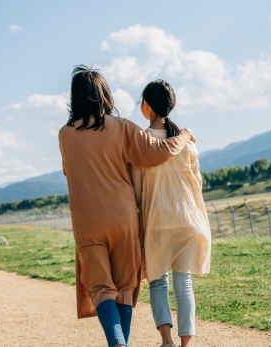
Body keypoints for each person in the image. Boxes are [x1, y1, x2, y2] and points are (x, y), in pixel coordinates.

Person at [58, 66, 195, 347]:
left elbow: (68, 171)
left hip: (87, 223)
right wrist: (183, 136)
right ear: (105, 95)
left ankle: (118, 342)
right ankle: (122, 343)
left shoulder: (64, 134)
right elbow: (157, 152)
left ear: (75, 98)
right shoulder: (120, 127)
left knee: (100, 286)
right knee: (124, 286)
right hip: (122, 217)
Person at [130, 80, 211, 347]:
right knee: (183, 284)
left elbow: (138, 191)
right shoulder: (187, 143)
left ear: (146, 106)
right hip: (189, 220)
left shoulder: (141, 144)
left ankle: (166, 342)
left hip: (157, 221)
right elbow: (197, 183)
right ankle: (185, 344)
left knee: (157, 284)